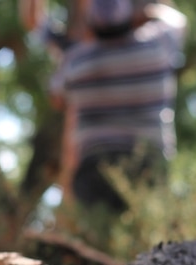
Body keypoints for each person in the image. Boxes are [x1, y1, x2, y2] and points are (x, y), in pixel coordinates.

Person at [24, 0, 187, 222]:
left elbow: (56, 97)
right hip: (148, 162)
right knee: (150, 240)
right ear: (129, 19)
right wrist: (146, 12)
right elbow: (177, 21)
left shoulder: (76, 61)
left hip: (93, 170)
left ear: (92, 25)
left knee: (97, 241)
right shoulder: (157, 46)